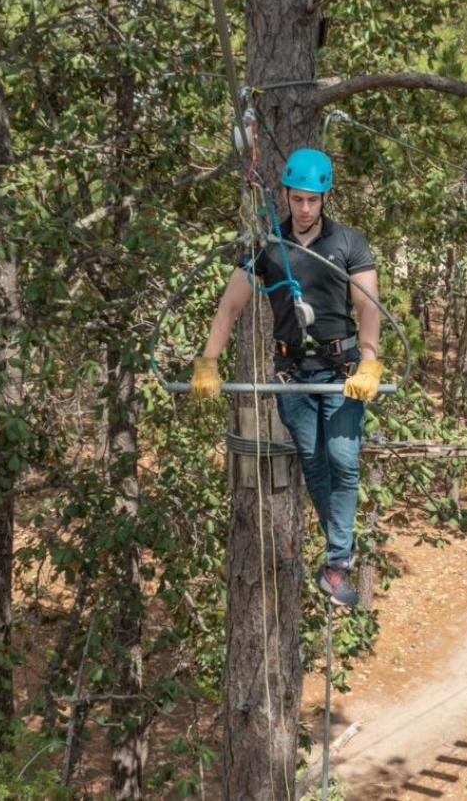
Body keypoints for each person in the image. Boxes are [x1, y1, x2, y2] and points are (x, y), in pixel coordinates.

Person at [192, 148, 382, 607]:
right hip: (294, 373)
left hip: (341, 373)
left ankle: (338, 562)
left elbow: (368, 306)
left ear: (325, 197)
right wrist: (208, 360)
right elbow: (230, 305)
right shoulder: (267, 247)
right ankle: (335, 566)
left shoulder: (350, 243)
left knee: (344, 459)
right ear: (286, 195)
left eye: (313, 200)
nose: (305, 209)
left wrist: (370, 361)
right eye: (298, 200)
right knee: (315, 463)